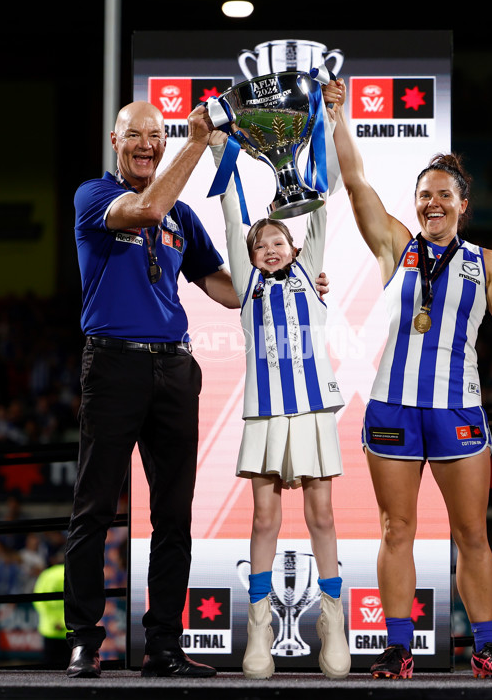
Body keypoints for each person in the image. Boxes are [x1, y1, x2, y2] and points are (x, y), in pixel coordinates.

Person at [64, 100, 330, 680]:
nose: (146, 144)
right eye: (136, 135)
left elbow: (226, 287)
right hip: (113, 366)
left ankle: (162, 645)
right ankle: (85, 640)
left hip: (175, 372)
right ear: (115, 139)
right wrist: (197, 140)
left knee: (174, 514)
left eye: (156, 136)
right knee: (94, 508)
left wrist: (292, 281)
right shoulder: (95, 197)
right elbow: (147, 206)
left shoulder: (182, 217)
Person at [324, 79, 492, 680]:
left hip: (458, 410)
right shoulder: (395, 246)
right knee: (397, 529)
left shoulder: (487, 263)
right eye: (425, 195)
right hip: (392, 409)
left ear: (462, 204)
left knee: (471, 533)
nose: (433, 203)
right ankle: (398, 648)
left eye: (444, 195)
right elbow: (355, 181)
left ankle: (484, 646)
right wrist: (338, 115)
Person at [209, 125, 351, 680]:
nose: (268, 247)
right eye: (259, 243)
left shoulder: (308, 270)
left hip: (313, 411)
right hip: (265, 414)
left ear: (295, 247)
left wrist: (329, 125)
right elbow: (232, 210)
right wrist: (222, 151)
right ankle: (260, 628)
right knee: (265, 518)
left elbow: (319, 202)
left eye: (277, 241)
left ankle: (332, 622)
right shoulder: (246, 285)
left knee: (322, 515)